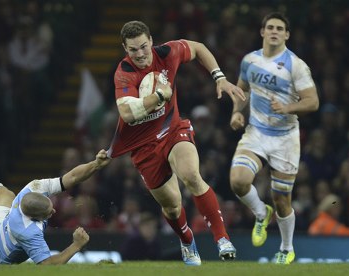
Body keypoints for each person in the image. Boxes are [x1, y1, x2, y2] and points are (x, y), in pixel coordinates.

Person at [108, 20, 245, 265]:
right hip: (144, 148)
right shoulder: (124, 73)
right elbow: (127, 114)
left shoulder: (168, 52)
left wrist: (220, 78)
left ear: (150, 40)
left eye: (143, 46)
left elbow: (199, 48)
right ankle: (186, 239)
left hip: (173, 131)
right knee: (172, 207)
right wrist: (160, 95)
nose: (139, 54)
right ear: (125, 49)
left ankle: (222, 238)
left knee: (191, 175)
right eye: (133, 50)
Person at [229, 12, 319, 264]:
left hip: (285, 139)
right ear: (262, 32)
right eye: (270, 27)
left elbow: (313, 102)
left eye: (280, 28)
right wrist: (237, 113)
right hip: (256, 132)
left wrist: (288, 108)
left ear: (287, 34)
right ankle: (260, 213)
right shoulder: (250, 61)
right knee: (238, 181)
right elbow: (241, 90)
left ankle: (286, 248)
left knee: (282, 199)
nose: (274, 31)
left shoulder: (296, 65)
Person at [0, 149, 110, 264]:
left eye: (51, 205)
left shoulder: (34, 187)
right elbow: (48, 266)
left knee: (5, 195)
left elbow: (72, 177)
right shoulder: (28, 231)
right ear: (36, 218)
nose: (53, 210)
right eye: (49, 212)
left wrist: (95, 165)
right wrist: (76, 245)